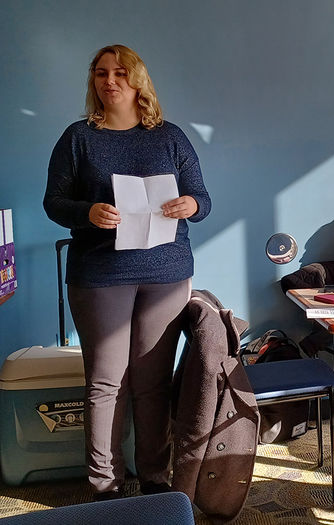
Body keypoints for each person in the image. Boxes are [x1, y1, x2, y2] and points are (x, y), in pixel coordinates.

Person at [43, 44, 211, 501]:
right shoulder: (78, 138)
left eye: (120, 72)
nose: (109, 80)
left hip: (166, 272)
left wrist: (189, 204)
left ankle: (157, 479)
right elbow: (53, 202)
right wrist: (88, 211)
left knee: (152, 380)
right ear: (93, 82)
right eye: (100, 73)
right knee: (105, 382)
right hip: (99, 275)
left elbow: (202, 198)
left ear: (139, 81)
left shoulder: (170, 136)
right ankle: (105, 488)